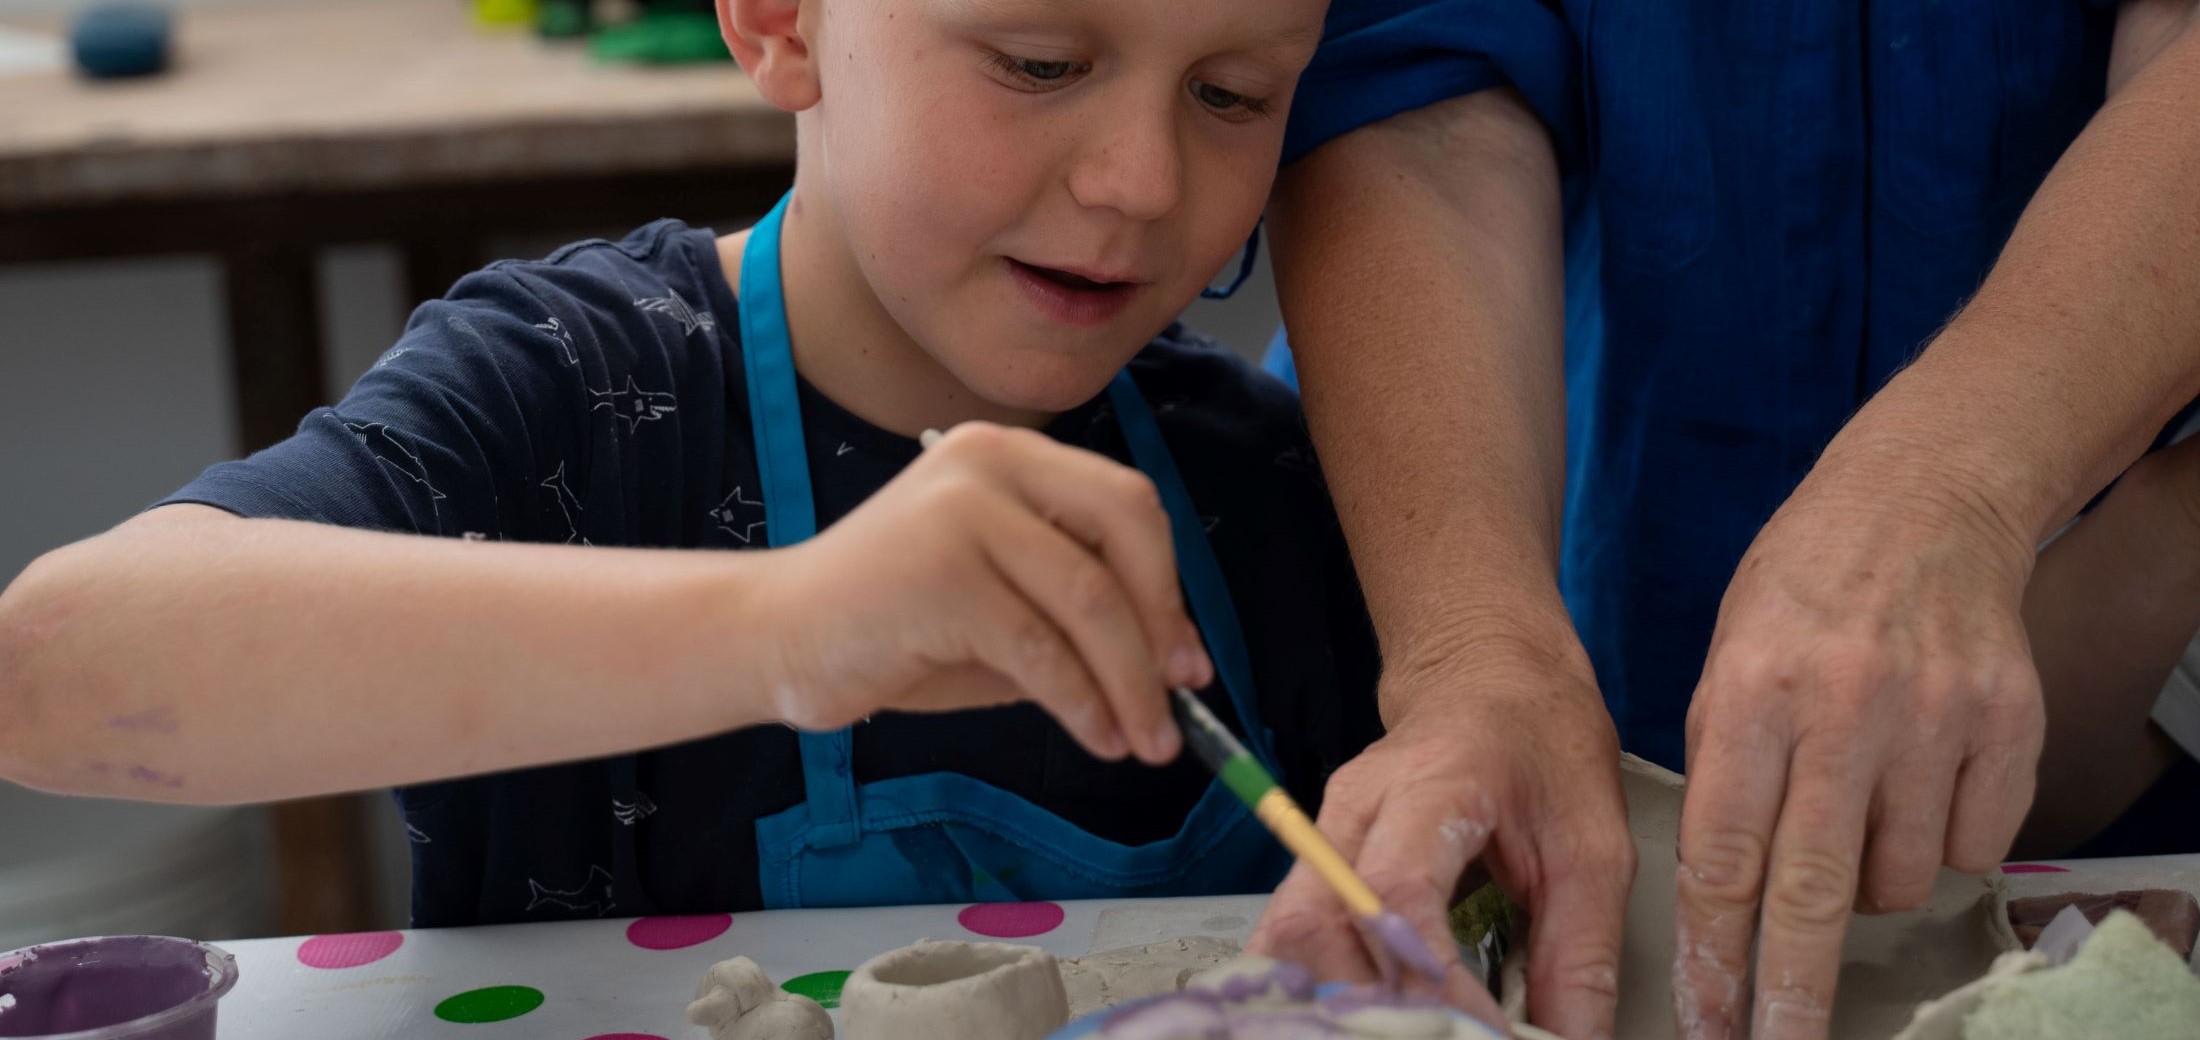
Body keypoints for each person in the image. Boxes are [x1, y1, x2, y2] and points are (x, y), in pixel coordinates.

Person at [0, 0, 1402, 974]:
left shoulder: (1270, 474)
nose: (1142, 180)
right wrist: (791, 627)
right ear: (782, 23)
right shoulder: (568, 393)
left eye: (1232, 94)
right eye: (1039, 61)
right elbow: (52, 673)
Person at [1246, 1, 2200, 1038]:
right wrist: (1473, 646)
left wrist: (1949, 484)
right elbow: (1416, 81)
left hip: (2126, 661)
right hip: (1542, 534)